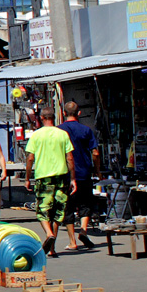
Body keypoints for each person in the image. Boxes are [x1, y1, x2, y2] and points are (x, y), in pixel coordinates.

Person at [24, 106, 75, 258]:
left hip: (43, 177)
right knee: (57, 212)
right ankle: (52, 248)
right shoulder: (63, 134)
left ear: (41, 118)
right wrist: (73, 178)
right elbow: (70, 158)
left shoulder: (36, 135)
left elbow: (30, 158)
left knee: (43, 210)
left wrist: (27, 178)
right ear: (54, 118)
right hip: (61, 177)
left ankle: (48, 233)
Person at [59, 101, 101, 250]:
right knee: (86, 204)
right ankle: (83, 230)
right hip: (84, 172)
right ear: (79, 113)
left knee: (68, 207)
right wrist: (97, 170)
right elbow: (95, 153)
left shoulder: (59, 131)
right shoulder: (86, 130)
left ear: (64, 113)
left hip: (66, 174)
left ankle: (72, 242)